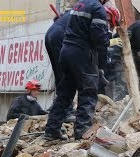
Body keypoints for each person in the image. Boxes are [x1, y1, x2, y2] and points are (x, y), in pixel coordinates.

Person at [44, 0, 111, 141]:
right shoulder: (98, 9)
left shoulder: (80, 4)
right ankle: (82, 133)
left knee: (65, 92)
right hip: (81, 53)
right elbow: (99, 38)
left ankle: (51, 130)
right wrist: (102, 64)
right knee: (88, 92)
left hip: (66, 51)